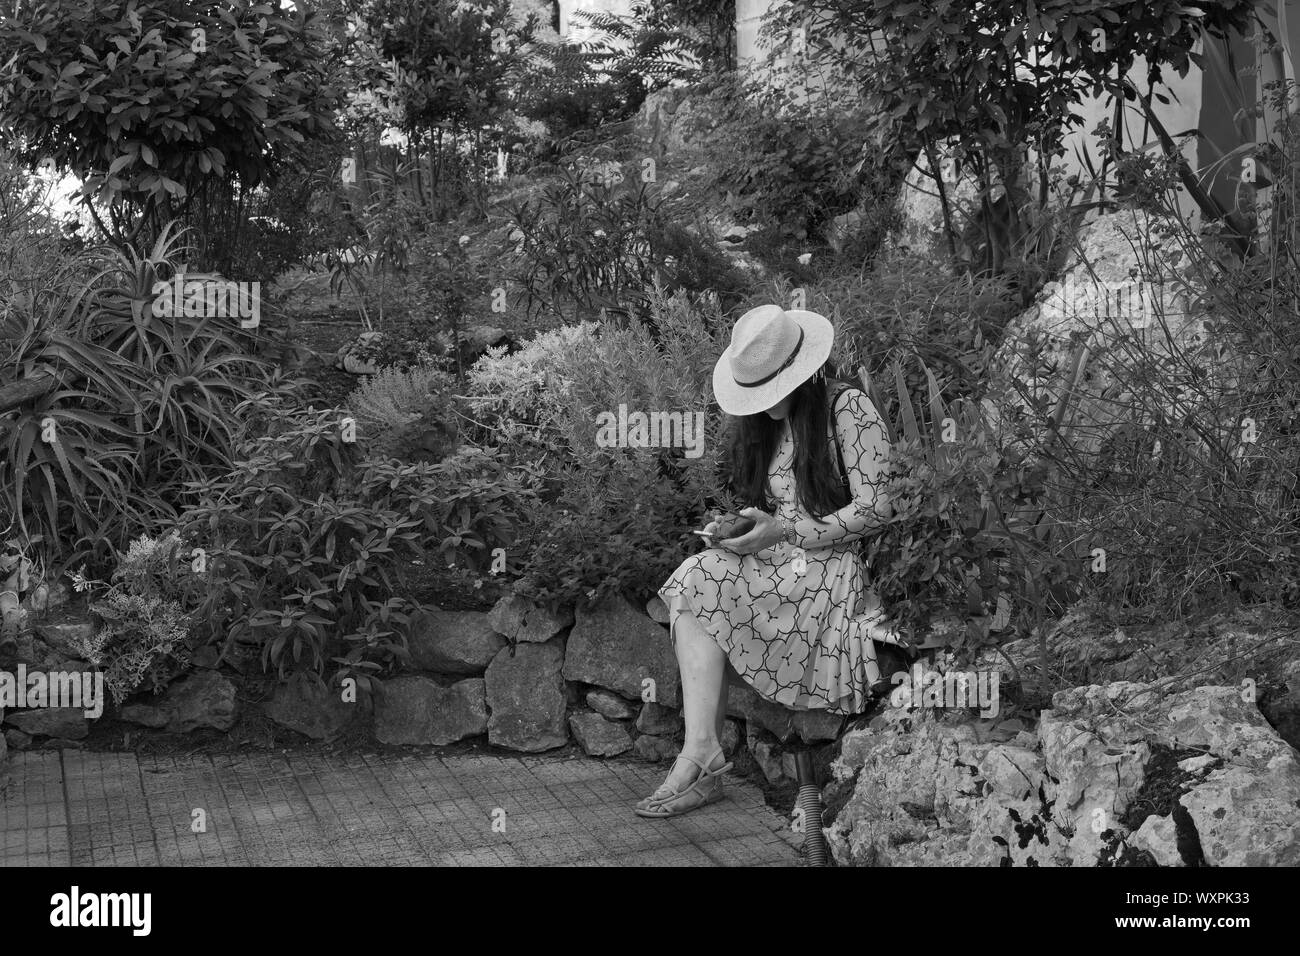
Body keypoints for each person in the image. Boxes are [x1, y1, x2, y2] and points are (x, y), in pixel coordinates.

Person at [634, 303, 895, 819]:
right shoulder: (765, 425)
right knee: (696, 577)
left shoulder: (849, 410)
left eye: (773, 388)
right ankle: (701, 752)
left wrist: (789, 530)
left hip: (836, 565)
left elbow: (879, 507)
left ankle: (701, 764)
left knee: (707, 581)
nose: (766, 402)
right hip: (783, 556)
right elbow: (781, 509)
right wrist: (745, 528)